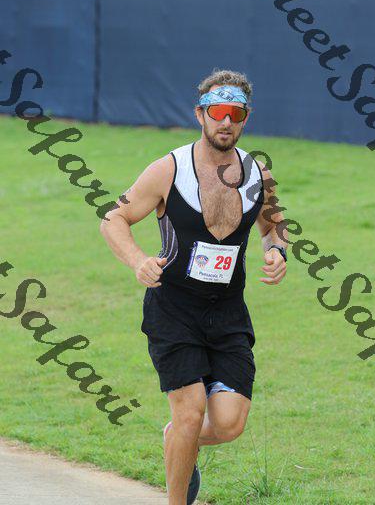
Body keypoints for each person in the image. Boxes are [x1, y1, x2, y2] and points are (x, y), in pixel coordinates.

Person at [100, 69, 287, 505]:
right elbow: (113, 218)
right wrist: (138, 260)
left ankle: (178, 442)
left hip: (227, 313)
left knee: (229, 423)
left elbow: (274, 225)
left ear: (246, 118)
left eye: (236, 113)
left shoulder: (259, 175)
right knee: (190, 412)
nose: (227, 121)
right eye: (217, 111)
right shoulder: (169, 169)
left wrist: (277, 251)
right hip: (173, 308)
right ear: (200, 114)